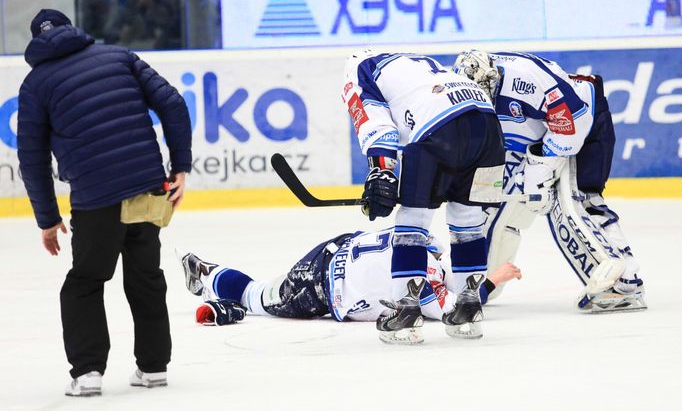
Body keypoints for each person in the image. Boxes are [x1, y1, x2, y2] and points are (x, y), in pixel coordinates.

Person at [17, 9, 192, 397]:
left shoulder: (35, 84)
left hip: (96, 199)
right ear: (72, 29)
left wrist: (47, 218)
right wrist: (180, 166)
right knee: (145, 275)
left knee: (85, 281)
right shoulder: (119, 56)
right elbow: (174, 104)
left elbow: (31, 158)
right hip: (148, 187)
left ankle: (88, 373)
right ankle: (153, 368)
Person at [453, 50, 645, 312]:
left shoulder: (525, 82)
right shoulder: (459, 87)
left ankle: (621, 281)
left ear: (493, 77)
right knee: (497, 210)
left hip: (583, 122)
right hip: (538, 137)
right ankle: (486, 280)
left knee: (574, 201)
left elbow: (573, 124)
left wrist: (541, 166)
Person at [342, 51, 506, 343]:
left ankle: (405, 311)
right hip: (489, 126)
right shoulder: (412, 63)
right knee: (468, 218)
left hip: (438, 126)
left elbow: (374, 121)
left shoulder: (360, 67)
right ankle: (469, 307)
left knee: (413, 220)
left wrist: (381, 170)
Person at [177, 229, 522, 328]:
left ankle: (212, 274)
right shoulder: (424, 280)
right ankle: (206, 273)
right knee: (256, 297)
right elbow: (450, 311)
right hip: (321, 289)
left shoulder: (415, 237)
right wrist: (491, 281)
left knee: (266, 289)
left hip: (331, 250)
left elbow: (444, 279)